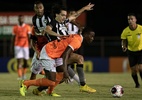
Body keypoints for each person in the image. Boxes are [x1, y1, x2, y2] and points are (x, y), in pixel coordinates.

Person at [19, 3, 95, 97]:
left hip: (58, 53)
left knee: (61, 76)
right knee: (43, 75)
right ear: (56, 15)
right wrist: (58, 35)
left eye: (65, 15)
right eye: (62, 15)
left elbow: (74, 15)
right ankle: (26, 83)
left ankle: (47, 91)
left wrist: (84, 8)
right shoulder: (54, 23)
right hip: (51, 51)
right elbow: (47, 29)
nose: (64, 17)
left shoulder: (64, 22)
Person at [121, 13, 142, 88]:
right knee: (133, 70)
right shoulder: (125, 31)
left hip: (140, 51)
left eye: (131, 19)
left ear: (135, 20)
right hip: (131, 52)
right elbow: (123, 40)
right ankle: (137, 84)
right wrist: (123, 46)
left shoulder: (141, 28)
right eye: (128, 19)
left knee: (140, 68)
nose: (130, 20)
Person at [11, 15, 31, 80]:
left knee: (25, 61)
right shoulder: (15, 27)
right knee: (19, 61)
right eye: (20, 19)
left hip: (25, 46)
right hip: (17, 46)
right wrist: (12, 46)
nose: (21, 20)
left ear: (23, 19)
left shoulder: (27, 27)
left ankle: (24, 74)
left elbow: (29, 37)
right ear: (18, 19)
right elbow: (13, 37)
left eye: (22, 18)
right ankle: (19, 76)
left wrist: (30, 44)